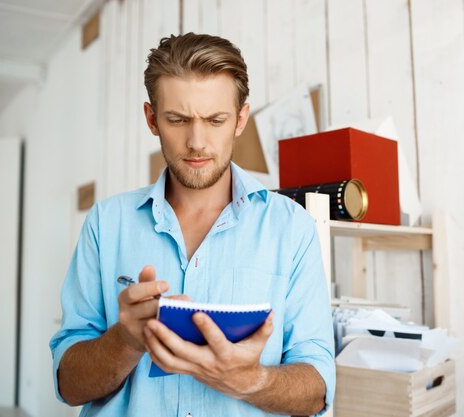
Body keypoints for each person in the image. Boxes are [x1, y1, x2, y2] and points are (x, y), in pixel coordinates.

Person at [50, 32, 335, 417]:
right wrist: (127, 340)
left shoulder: (292, 229)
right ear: (152, 119)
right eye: (177, 119)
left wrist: (251, 381)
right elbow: (68, 385)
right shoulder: (106, 223)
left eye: (215, 120)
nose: (197, 142)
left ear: (240, 119)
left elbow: (318, 389)